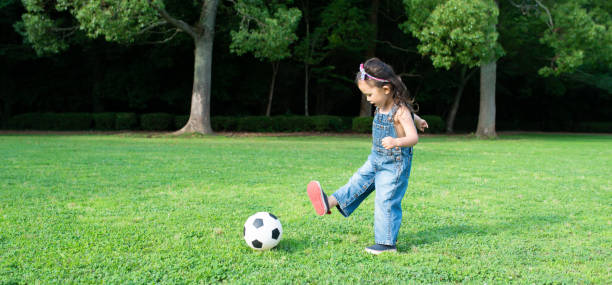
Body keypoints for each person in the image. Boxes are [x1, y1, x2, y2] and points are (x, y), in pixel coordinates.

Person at [307, 57, 428, 255]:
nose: (368, 99)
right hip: (376, 159)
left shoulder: (401, 111)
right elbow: (412, 118)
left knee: (385, 200)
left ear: (386, 89)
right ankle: (328, 202)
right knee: (357, 181)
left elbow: (413, 138)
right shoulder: (381, 106)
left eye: (370, 94)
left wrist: (397, 141)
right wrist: (420, 119)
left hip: (394, 165)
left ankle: (387, 243)